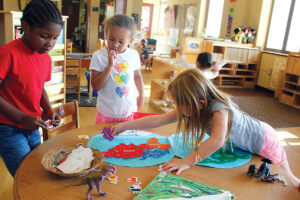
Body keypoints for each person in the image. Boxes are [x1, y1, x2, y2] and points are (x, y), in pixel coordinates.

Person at [111, 68, 300, 189]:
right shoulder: (192, 106)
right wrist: (124, 126)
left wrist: (187, 161)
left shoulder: (219, 110)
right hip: (252, 143)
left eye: (178, 104)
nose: (176, 109)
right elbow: (158, 120)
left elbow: (217, 140)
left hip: (265, 141)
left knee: (289, 183)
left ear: (198, 103)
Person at [0, 0, 62, 177]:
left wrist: (48, 109)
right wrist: (20, 116)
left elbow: (39, 86)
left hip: (33, 125)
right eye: (44, 36)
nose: (50, 43)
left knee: (38, 169)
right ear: (25, 26)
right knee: (25, 176)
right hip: (9, 128)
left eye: (55, 38)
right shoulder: (7, 54)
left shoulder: (45, 58)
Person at [90, 15, 144, 124]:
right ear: (106, 34)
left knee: (125, 140)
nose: (114, 44)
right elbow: (96, 86)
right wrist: (110, 65)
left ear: (130, 41)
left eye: (121, 42)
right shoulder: (98, 56)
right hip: (106, 113)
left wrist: (142, 95)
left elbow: (137, 76)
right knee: (104, 140)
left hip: (128, 111)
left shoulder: (133, 55)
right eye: (111, 39)